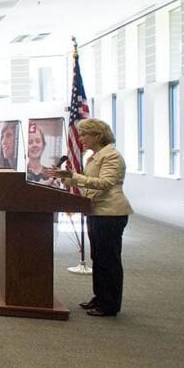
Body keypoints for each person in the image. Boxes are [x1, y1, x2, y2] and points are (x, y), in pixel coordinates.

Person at [54, 119, 133, 317]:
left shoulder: (112, 156)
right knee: (98, 257)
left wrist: (76, 176)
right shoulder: (94, 157)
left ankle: (110, 304)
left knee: (109, 259)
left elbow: (105, 183)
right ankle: (100, 297)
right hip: (96, 211)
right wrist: (67, 177)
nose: (81, 139)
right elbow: (88, 184)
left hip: (111, 213)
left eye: (84, 135)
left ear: (97, 135)